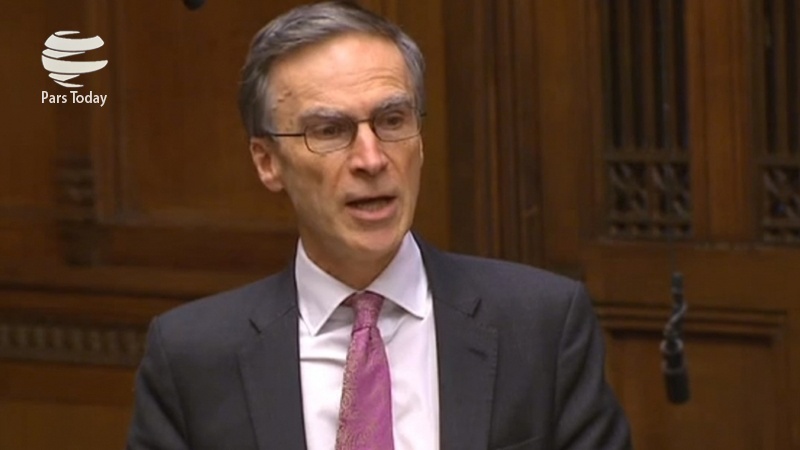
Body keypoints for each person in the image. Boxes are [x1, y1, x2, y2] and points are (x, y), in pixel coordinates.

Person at [126, 1, 632, 449]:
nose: (371, 159)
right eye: (330, 130)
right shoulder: (193, 357)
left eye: (392, 121)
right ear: (267, 162)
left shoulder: (541, 325)